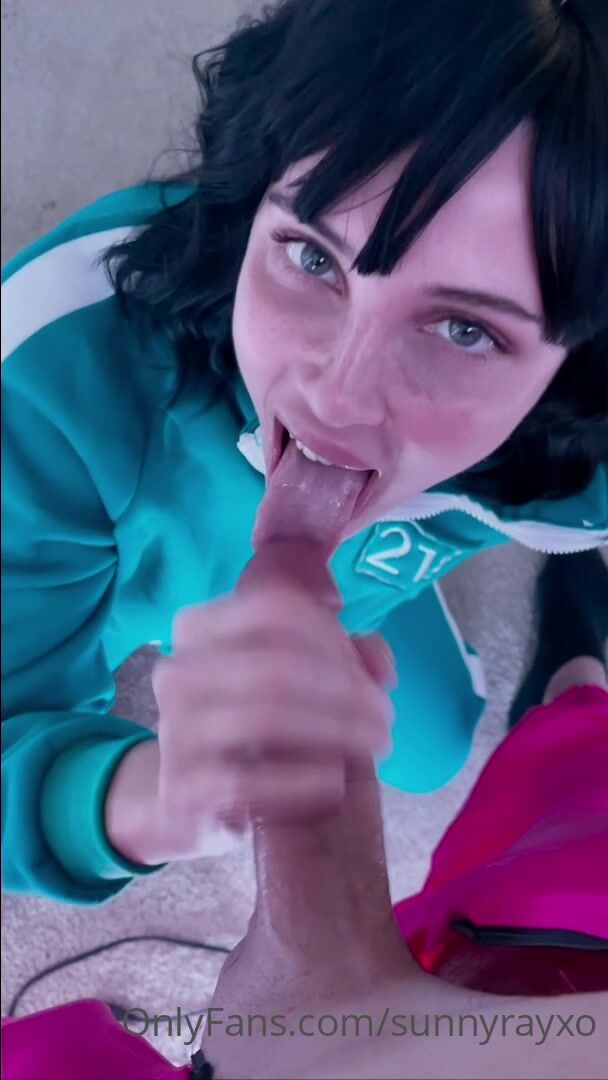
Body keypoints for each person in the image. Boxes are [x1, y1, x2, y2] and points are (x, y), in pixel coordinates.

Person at [2, 0, 607, 906]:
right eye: (313, 257)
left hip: (376, 580)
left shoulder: (578, 453)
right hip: (110, 573)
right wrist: (152, 801)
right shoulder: (52, 369)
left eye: (464, 329)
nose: (337, 398)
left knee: (436, 747)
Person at [2, 552, 607, 1078]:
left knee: (449, 754)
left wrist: (120, 802)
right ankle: (574, 683)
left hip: (458, 960)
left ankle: (569, 689)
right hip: (562, 909)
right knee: (533, 766)